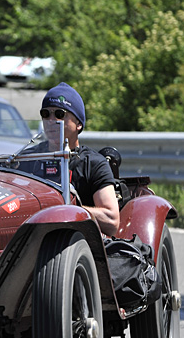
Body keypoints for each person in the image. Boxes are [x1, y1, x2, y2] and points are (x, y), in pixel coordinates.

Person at [19, 82, 121, 236]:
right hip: (29, 239)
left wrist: (67, 209)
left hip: (77, 244)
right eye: (46, 114)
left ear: (78, 123)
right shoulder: (26, 159)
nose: (52, 120)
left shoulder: (93, 163)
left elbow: (111, 221)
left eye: (59, 114)